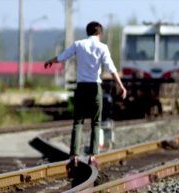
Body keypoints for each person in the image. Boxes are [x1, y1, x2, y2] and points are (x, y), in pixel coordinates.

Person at [44, 21, 127, 170]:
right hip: (95, 87)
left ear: (87, 32)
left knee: (78, 122)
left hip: (81, 87)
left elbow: (63, 57)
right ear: (99, 34)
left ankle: (73, 156)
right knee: (96, 122)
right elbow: (111, 68)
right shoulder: (102, 47)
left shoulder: (79, 44)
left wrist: (51, 60)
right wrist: (121, 86)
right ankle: (92, 156)